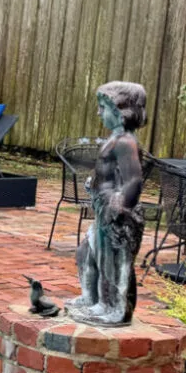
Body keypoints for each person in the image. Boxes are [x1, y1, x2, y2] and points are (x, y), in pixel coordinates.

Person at [67, 81, 146, 326]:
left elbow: (134, 178)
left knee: (112, 262)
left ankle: (114, 308)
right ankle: (91, 298)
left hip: (115, 213)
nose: (99, 112)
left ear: (121, 111)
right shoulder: (115, 137)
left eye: (103, 107)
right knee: (86, 252)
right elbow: (109, 171)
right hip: (102, 207)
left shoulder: (125, 142)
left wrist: (120, 204)